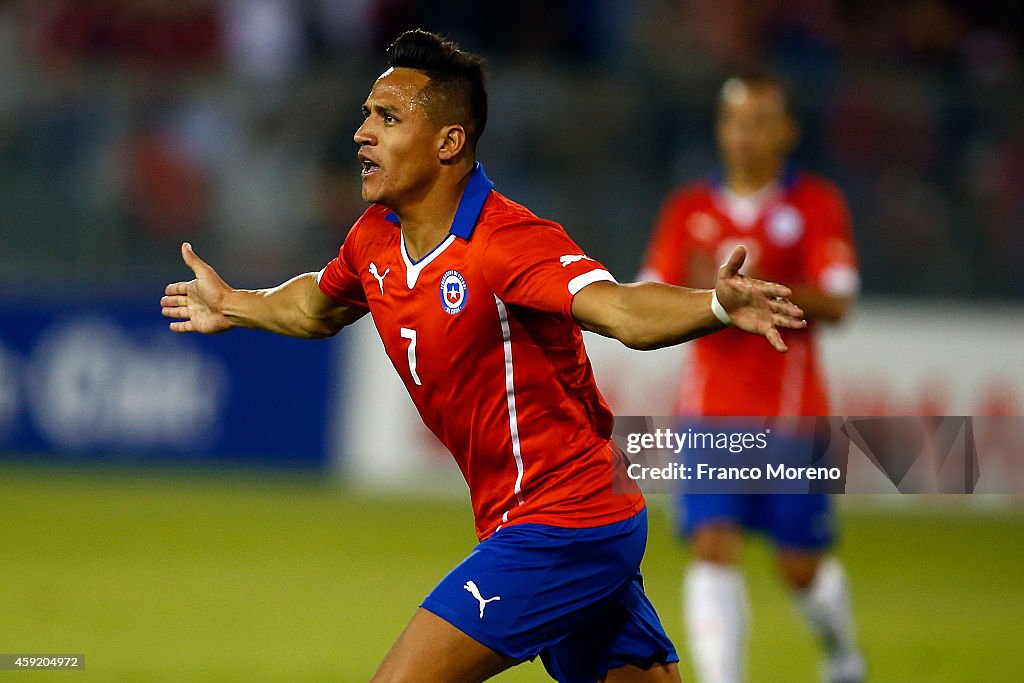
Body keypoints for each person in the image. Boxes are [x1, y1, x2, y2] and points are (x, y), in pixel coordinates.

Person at [160, 31, 806, 683]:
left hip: (563, 518)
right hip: (533, 518)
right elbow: (314, 307)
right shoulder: (373, 240)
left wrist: (716, 306)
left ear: (449, 142)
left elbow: (621, 310)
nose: (362, 133)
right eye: (365, 114)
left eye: (388, 117)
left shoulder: (506, 242)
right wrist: (235, 303)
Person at [639, 73, 865, 683]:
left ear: (787, 131)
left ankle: (843, 656)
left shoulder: (815, 203)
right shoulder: (689, 209)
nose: (746, 134)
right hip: (710, 412)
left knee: (800, 566)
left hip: (794, 416)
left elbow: (840, 302)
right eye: (736, 120)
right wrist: (707, 295)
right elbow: (647, 292)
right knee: (711, 546)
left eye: (761, 120)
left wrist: (760, 288)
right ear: (721, 129)